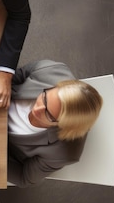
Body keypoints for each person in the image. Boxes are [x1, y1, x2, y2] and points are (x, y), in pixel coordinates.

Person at [8, 59, 102, 187]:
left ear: (62, 126)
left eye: (49, 114)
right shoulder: (52, 70)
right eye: (45, 98)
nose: (37, 109)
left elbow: (23, 177)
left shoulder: (62, 153)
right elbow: (14, 77)